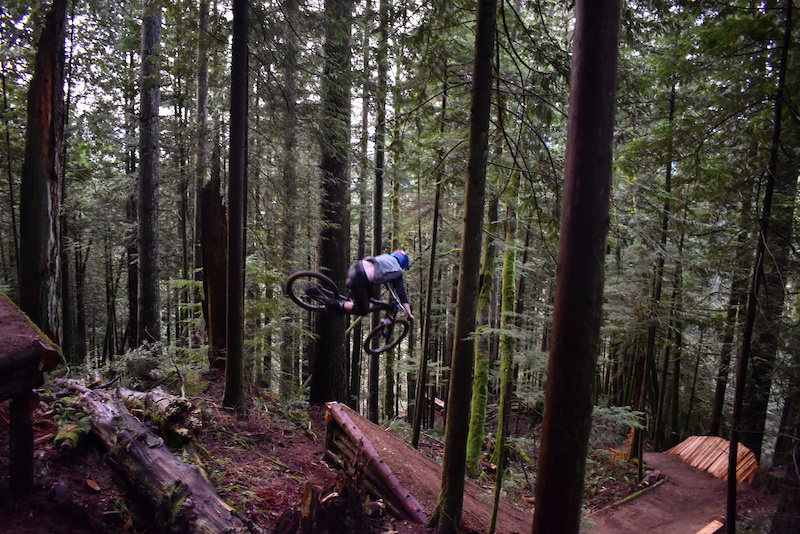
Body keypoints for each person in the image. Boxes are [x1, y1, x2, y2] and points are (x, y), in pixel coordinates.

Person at [326, 250, 414, 322]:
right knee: (363, 310)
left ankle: (347, 305)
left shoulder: (387, 257)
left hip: (355, 268)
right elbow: (402, 295)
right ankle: (335, 304)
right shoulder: (397, 271)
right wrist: (408, 313)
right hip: (360, 278)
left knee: (371, 293)